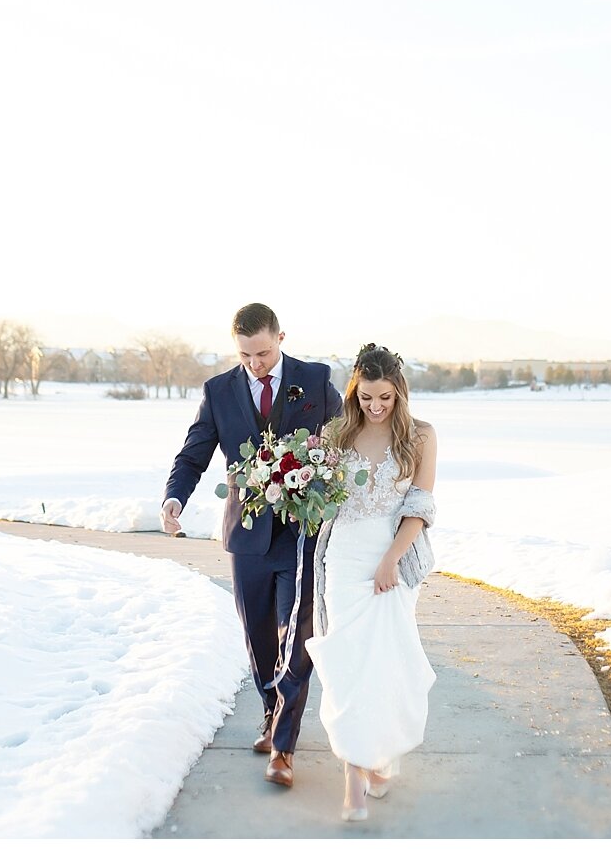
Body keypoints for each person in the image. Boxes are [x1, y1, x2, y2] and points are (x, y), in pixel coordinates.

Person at [161, 303, 343, 788]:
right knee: (260, 637)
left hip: (301, 536)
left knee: (296, 638)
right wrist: (175, 497)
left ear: (280, 337)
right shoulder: (218, 391)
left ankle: (283, 747)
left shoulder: (317, 379)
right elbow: (195, 451)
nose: (256, 363)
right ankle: (271, 712)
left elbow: (343, 441)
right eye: (246, 355)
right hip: (247, 535)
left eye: (263, 352)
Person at [304, 343, 438, 822]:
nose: (375, 407)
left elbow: (419, 509)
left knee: (385, 667)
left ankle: (376, 760)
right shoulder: (336, 433)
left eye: (384, 398)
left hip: (393, 561)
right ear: (354, 394)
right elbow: (321, 500)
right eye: (366, 399)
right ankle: (353, 778)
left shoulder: (421, 437)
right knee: (348, 666)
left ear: (399, 393)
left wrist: (390, 561)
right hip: (342, 558)